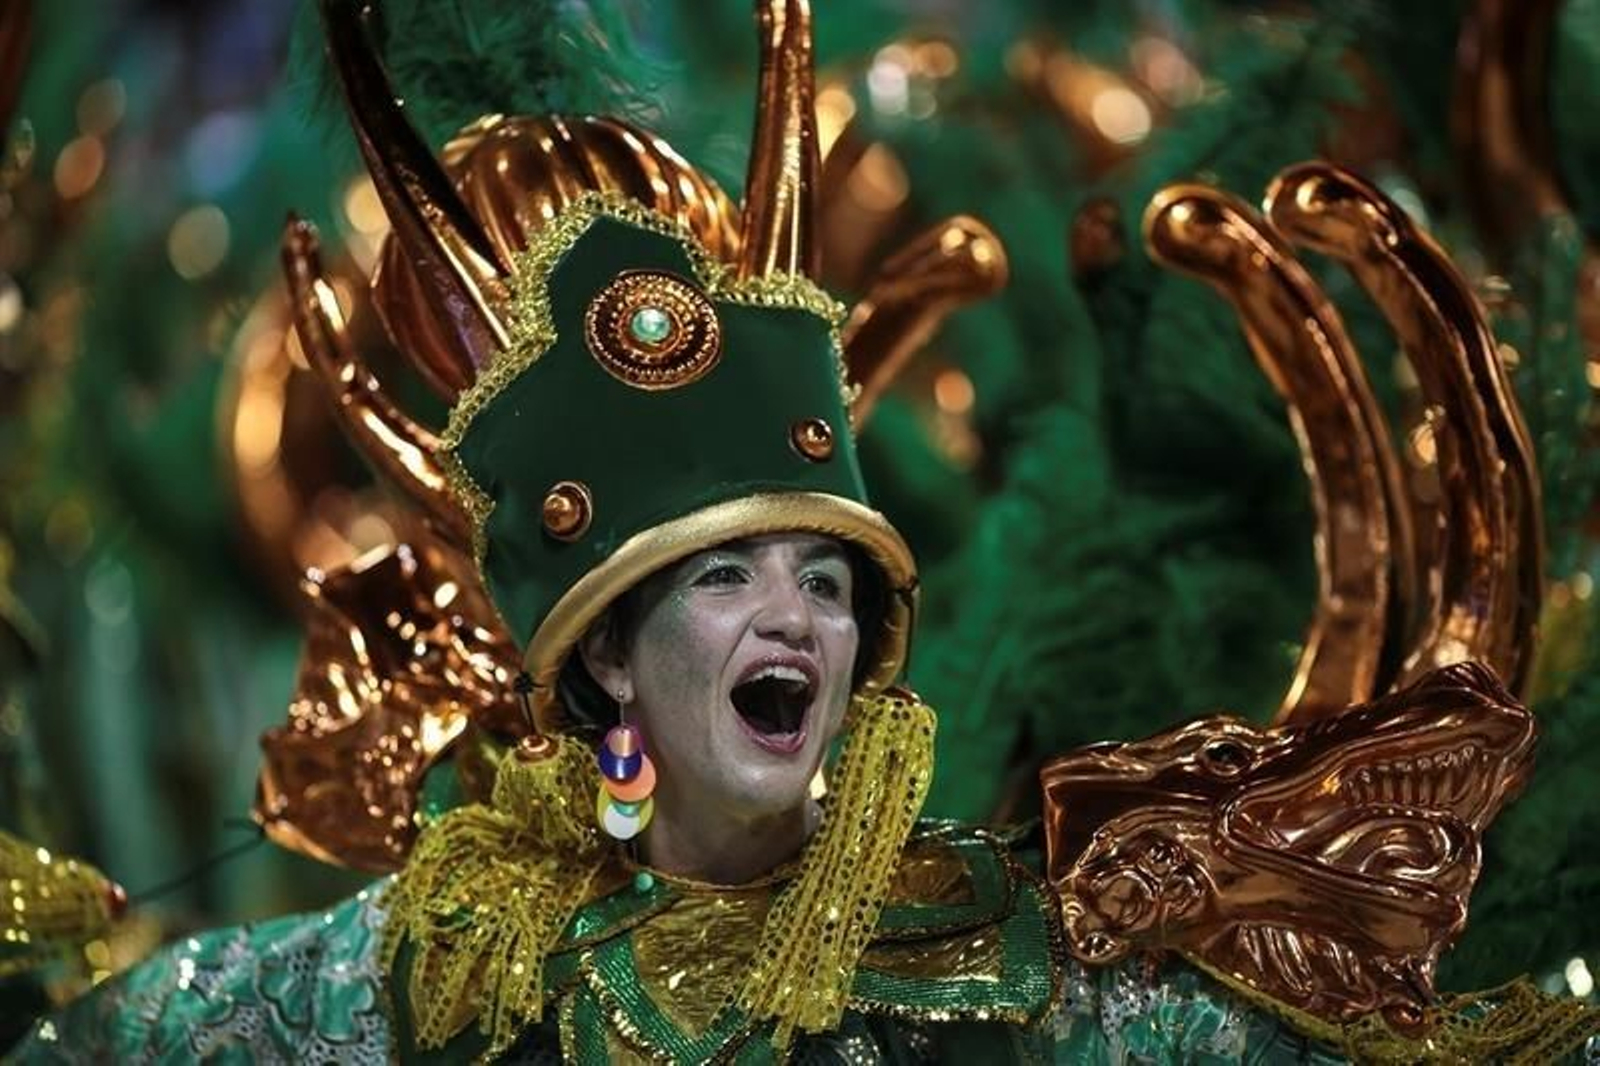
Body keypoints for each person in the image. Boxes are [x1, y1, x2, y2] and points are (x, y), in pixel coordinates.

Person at [9, 0, 1598, 1062]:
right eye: (723, 575)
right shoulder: (436, 963)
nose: (796, 618)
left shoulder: (1029, 958)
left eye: (826, 579)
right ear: (608, 661)